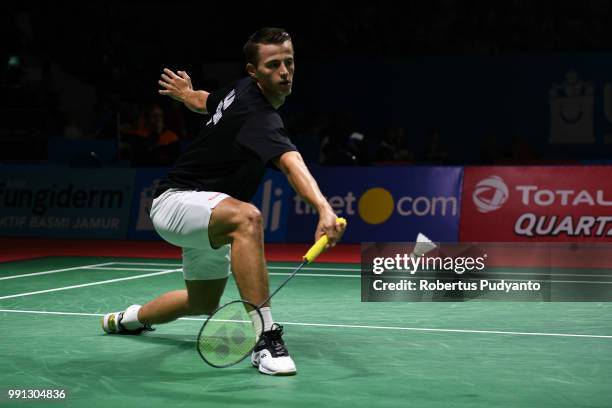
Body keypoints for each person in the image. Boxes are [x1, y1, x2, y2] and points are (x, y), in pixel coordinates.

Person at [102, 28, 345, 376]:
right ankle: (265, 339)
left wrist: (187, 94)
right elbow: (292, 163)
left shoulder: (240, 90)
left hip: (208, 211)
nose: (284, 72)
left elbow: (206, 101)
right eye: (273, 65)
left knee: (201, 302)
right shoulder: (258, 114)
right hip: (176, 202)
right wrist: (323, 208)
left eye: (289, 63)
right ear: (253, 71)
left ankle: (128, 319)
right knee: (247, 218)